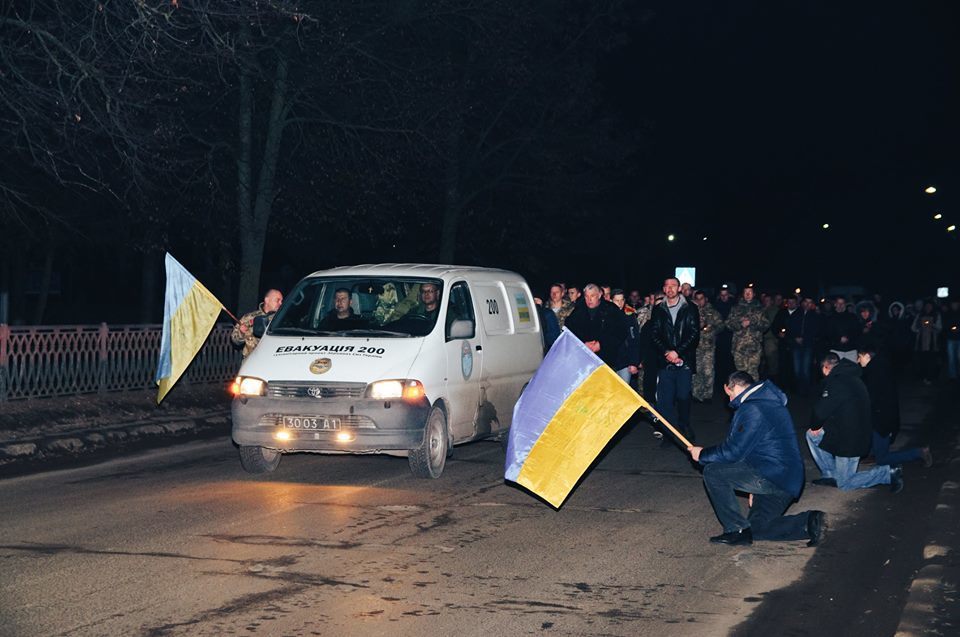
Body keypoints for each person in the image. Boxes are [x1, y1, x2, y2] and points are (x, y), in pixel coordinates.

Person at [687, 371, 824, 547]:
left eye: (728, 394)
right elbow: (750, 450)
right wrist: (752, 485)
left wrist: (702, 454)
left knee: (713, 471)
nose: (729, 401)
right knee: (757, 529)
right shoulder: (765, 402)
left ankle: (735, 530)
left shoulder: (752, 408)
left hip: (774, 476)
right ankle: (810, 521)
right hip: (783, 478)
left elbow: (733, 451)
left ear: (732, 387)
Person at [806, 353, 903, 493]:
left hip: (848, 442)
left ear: (826, 367)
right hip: (858, 435)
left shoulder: (836, 382)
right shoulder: (854, 379)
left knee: (845, 483)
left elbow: (820, 412)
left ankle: (888, 473)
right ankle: (830, 475)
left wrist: (815, 426)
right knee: (812, 435)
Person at [857, 346, 932, 467]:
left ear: (867, 356)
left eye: (859, 357)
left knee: (882, 459)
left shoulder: (875, 373)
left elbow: (873, 399)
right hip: (883, 417)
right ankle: (873, 454)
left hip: (882, 420)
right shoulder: (878, 368)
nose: (858, 361)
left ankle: (918, 452)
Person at [649, 277, 700, 442]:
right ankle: (669, 432)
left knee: (684, 396)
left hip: (684, 359)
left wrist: (677, 352)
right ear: (664, 289)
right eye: (667, 286)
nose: (670, 288)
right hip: (665, 361)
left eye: (673, 286)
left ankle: (684, 425)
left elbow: (694, 334)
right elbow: (654, 334)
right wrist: (667, 352)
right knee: (665, 399)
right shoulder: (658, 309)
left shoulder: (690, 307)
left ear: (679, 288)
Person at [564, 283, 629, 370]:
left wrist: (601, 344)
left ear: (599, 295)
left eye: (592, 296)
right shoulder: (578, 310)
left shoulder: (611, 309)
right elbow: (570, 331)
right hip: (584, 359)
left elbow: (621, 332)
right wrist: (583, 344)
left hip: (607, 360)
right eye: (586, 296)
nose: (589, 299)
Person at [725, 286, 770, 381]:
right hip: (739, 347)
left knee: (753, 373)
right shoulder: (736, 308)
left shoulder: (760, 309)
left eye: (750, 292)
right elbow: (728, 324)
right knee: (741, 374)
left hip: (754, 347)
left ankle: (753, 395)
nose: (748, 294)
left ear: (754, 294)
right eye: (746, 292)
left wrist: (752, 322)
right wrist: (740, 324)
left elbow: (766, 325)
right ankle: (742, 394)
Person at [231, 288, 283, 358]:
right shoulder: (249, 318)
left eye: (281, 301)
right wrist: (241, 332)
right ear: (267, 300)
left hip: (274, 359)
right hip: (252, 361)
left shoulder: (281, 319)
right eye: (277, 300)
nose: (281, 303)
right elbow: (235, 340)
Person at [692, 290, 723, 402]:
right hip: (695, 347)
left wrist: (711, 328)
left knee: (708, 371)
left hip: (708, 347)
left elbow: (721, 325)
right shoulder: (692, 311)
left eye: (702, 298)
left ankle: (707, 395)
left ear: (706, 299)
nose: (700, 301)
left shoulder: (713, 312)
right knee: (696, 371)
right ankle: (696, 394)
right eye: (697, 298)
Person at [786, 297, 820, 395]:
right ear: (802, 303)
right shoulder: (795, 314)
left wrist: (805, 338)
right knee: (797, 369)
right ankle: (798, 389)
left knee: (805, 368)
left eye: (810, 302)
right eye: (806, 302)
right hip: (796, 345)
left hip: (808, 345)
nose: (808, 304)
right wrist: (795, 337)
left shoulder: (815, 316)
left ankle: (805, 390)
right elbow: (790, 329)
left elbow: (816, 331)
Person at [911, 300, 942, 385]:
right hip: (921, 342)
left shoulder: (936, 315)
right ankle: (923, 376)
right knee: (922, 360)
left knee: (931, 360)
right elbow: (913, 328)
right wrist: (919, 327)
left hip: (932, 342)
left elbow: (939, 328)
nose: (928, 308)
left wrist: (932, 325)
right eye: (927, 306)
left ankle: (930, 377)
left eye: (930, 306)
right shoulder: (919, 315)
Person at [944, 298, 960, 382]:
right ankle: (952, 376)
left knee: (959, 357)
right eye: (953, 304)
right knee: (951, 358)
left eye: (956, 303)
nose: (954, 305)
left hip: (959, 338)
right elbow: (946, 325)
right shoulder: (948, 313)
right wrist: (951, 328)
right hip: (950, 338)